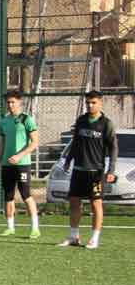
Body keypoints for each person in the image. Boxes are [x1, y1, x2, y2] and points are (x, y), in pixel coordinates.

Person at [58, 90, 118, 249]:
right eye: (88, 103)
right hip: (78, 170)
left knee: (96, 204)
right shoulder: (81, 120)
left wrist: (111, 170)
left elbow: (113, 148)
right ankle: (73, 236)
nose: (90, 105)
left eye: (94, 103)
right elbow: (76, 142)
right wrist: (68, 160)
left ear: (100, 103)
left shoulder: (106, 124)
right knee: (74, 202)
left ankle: (94, 238)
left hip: (95, 171)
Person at [0, 89, 41, 239]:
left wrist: (19, 155)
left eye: (13, 102)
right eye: (8, 102)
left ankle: (35, 228)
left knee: (26, 194)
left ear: (19, 102)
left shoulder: (26, 119)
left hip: (22, 164)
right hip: (7, 165)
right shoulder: (3, 121)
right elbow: (1, 146)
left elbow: (35, 143)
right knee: (8, 196)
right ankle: (10, 227)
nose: (10, 105)